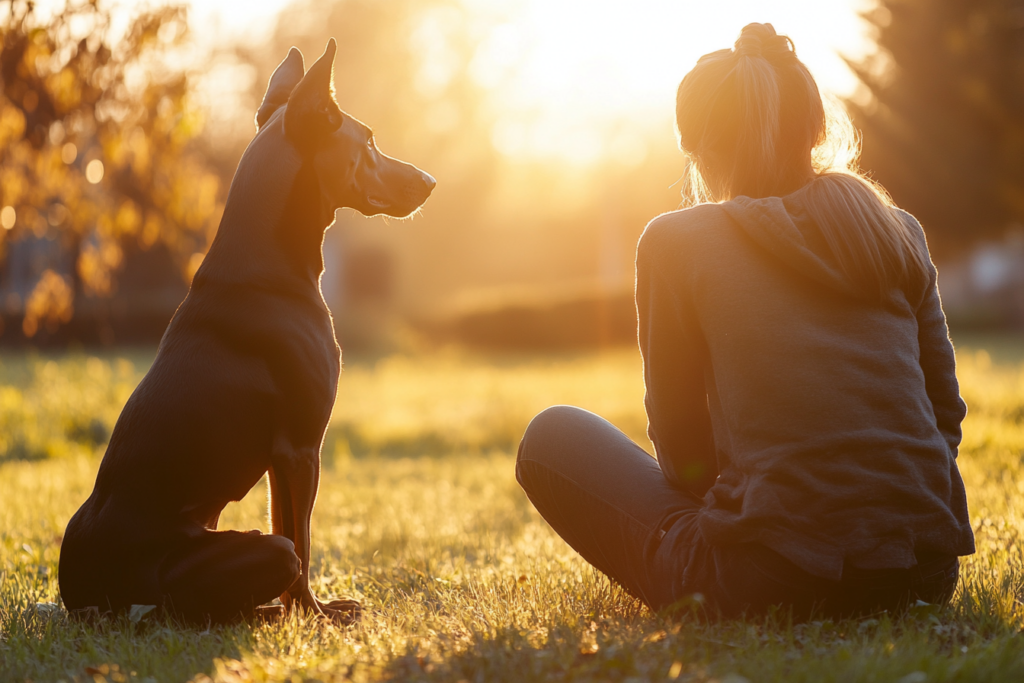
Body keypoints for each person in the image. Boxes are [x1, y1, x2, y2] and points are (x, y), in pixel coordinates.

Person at [515, 23, 973, 619]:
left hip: (771, 580)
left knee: (553, 438)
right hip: (925, 573)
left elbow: (683, 456)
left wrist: (773, 508)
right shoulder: (896, 230)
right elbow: (944, 417)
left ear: (702, 150)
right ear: (813, 131)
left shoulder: (678, 241)